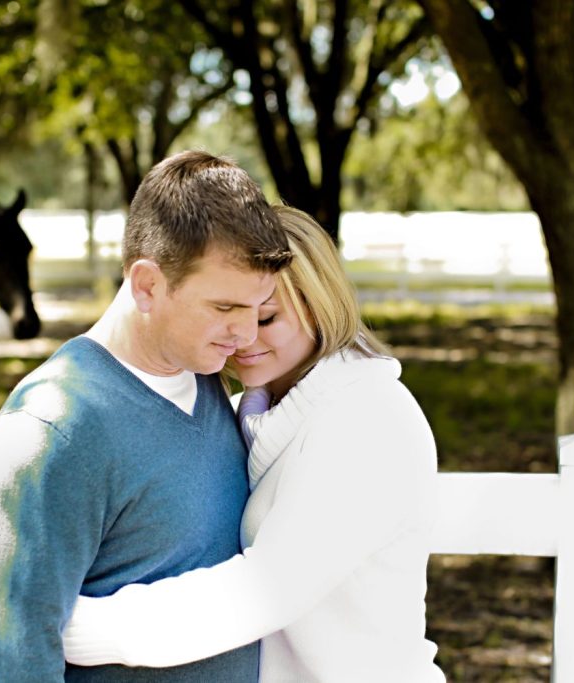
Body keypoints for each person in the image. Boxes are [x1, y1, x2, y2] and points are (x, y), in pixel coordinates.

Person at [62, 206, 446, 682]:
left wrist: (66, 623)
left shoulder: (368, 418)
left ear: (319, 307)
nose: (243, 336)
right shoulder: (251, 411)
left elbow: (263, 592)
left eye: (265, 318)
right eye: (228, 310)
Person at [0, 150, 293, 682]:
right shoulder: (51, 432)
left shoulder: (207, 377)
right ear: (147, 286)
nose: (248, 335)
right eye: (225, 308)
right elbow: (16, 657)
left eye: (257, 310)